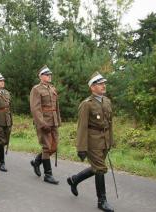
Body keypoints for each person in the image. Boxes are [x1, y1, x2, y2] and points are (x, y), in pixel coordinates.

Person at [67, 72, 115, 212]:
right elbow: (81, 127)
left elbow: (110, 123)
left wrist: (110, 140)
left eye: (103, 83)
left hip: (104, 140)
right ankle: (102, 201)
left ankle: (75, 179)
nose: (103, 86)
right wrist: (81, 148)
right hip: (92, 141)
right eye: (100, 84)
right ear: (92, 87)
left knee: (96, 167)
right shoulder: (86, 104)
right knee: (100, 169)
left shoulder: (107, 101)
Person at [29, 65, 61, 185]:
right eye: (47, 75)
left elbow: (56, 107)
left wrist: (58, 121)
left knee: (54, 146)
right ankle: (48, 174)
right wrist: (42, 124)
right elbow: (35, 109)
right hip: (44, 122)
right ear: (41, 76)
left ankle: (37, 161)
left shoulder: (52, 89)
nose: (49, 76)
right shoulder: (36, 89)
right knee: (47, 147)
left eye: (50, 74)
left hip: (53, 121)